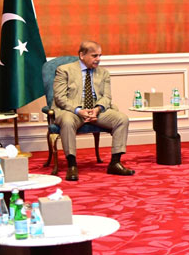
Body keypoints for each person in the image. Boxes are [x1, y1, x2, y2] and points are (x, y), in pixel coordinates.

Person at [53, 41, 134, 181]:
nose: (98, 59)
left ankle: (115, 163)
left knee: (122, 119)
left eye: (100, 56)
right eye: (94, 56)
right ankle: (72, 165)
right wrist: (79, 110)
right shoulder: (64, 70)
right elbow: (60, 97)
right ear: (82, 55)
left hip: (96, 110)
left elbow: (107, 97)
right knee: (67, 121)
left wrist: (97, 109)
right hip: (73, 111)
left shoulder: (103, 73)